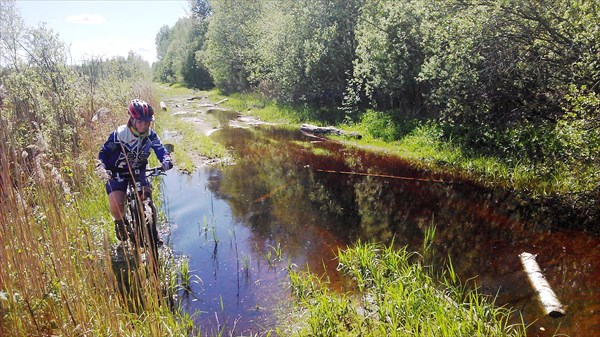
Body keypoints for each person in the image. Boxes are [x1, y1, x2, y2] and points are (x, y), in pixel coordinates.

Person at [96, 99, 173, 245]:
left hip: (139, 169)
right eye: (140, 121)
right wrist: (102, 167)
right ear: (132, 119)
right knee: (116, 206)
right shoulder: (119, 135)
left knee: (148, 200)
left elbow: (160, 149)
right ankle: (120, 222)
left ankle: (153, 232)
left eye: (147, 121)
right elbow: (103, 153)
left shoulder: (151, 135)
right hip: (116, 171)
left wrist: (166, 160)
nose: (144, 125)